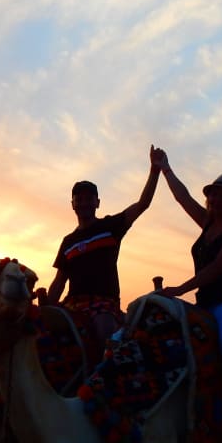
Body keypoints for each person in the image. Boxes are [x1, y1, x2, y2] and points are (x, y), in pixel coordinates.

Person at [153, 149, 222, 443]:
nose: (216, 200)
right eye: (213, 195)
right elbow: (182, 198)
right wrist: (165, 169)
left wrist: (180, 289)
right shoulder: (208, 224)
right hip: (205, 304)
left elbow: (218, 268)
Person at [46, 144, 164, 347]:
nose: (84, 203)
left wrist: (155, 170)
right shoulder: (68, 242)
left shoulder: (111, 227)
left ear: (97, 202)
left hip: (103, 304)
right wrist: (45, 310)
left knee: (104, 332)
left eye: (88, 199)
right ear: (72, 204)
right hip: (73, 304)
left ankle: (107, 376)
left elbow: (143, 203)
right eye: (79, 199)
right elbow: (59, 281)